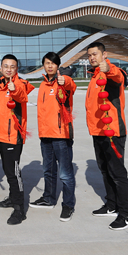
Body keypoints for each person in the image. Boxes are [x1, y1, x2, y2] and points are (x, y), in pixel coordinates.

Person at [86, 42, 128, 230]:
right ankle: (112, 205)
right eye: (89, 55)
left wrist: (109, 68)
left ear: (104, 54)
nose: (92, 57)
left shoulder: (112, 72)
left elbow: (119, 77)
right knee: (105, 170)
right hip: (98, 132)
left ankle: (126, 215)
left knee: (118, 174)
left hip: (112, 132)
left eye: (95, 54)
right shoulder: (94, 76)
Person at [31, 52, 77, 222]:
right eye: (47, 63)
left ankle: (68, 205)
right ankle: (48, 198)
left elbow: (71, 86)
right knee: (48, 171)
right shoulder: (43, 85)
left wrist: (65, 80)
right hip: (45, 135)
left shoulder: (63, 81)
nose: (49, 66)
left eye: (53, 63)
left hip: (61, 135)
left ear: (58, 66)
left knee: (65, 174)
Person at [0, 54, 35, 225]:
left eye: (12, 66)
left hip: (13, 136)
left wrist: (14, 89)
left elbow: (22, 96)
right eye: (6, 66)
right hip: (1, 135)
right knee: (8, 171)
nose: (9, 69)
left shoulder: (19, 84)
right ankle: (12, 198)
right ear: (1, 68)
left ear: (17, 69)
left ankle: (19, 209)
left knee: (14, 173)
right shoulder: (2, 85)